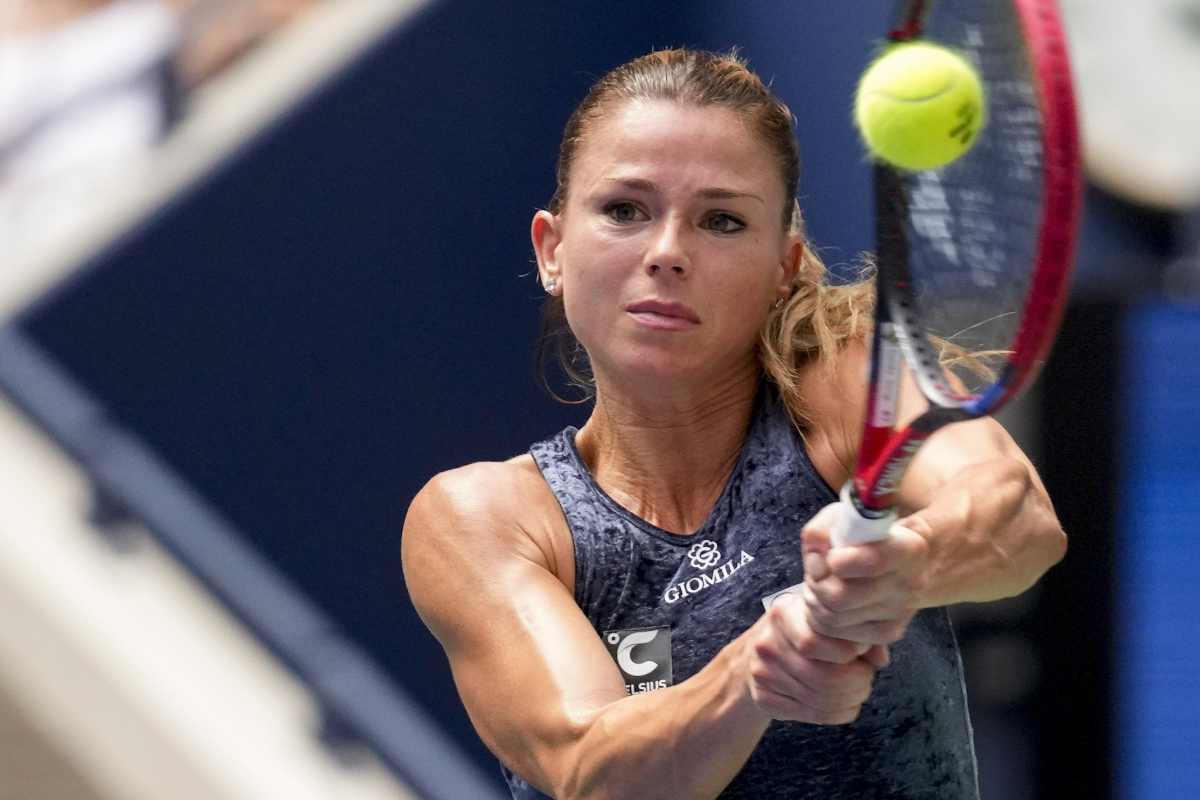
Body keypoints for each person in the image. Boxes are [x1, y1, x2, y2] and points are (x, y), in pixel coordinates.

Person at [401, 49, 1065, 799]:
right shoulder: (484, 519)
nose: (667, 253)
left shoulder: (847, 378)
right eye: (624, 210)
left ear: (784, 266)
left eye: (721, 221)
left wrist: (903, 565)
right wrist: (759, 668)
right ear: (552, 251)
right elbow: (591, 773)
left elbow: (1017, 514)